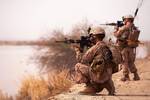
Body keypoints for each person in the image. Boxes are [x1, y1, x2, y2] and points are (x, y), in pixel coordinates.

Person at [74, 26, 115, 95]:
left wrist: (78, 51)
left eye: (91, 36)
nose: (90, 38)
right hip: (108, 75)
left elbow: (82, 60)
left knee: (78, 66)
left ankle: (90, 87)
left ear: (94, 37)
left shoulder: (95, 48)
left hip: (99, 76)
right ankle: (108, 84)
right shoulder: (108, 46)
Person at [114, 14, 140, 81]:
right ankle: (136, 75)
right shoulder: (134, 27)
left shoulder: (125, 27)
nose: (124, 21)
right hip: (131, 48)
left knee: (124, 62)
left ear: (127, 19)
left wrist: (116, 28)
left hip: (124, 47)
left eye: (124, 19)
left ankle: (126, 76)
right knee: (131, 62)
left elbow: (117, 35)